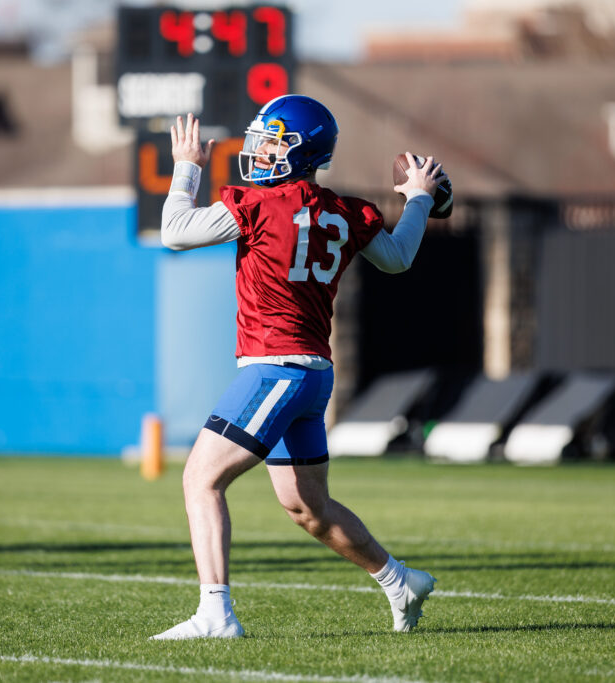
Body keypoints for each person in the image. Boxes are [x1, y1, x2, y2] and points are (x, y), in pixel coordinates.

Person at [151, 96, 440, 640]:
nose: (259, 151)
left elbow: (175, 231)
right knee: (308, 507)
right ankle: (399, 580)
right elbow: (398, 257)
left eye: (272, 141)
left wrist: (187, 165)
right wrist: (419, 199)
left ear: (301, 149)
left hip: (274, 369)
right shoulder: (349, 211)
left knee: (201, 479)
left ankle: (215, 614)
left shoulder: (256, 206)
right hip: (312, 375)